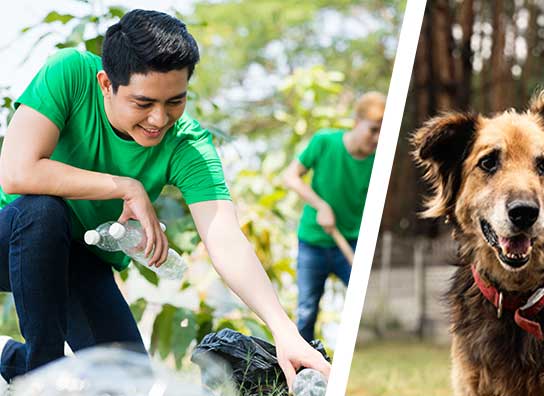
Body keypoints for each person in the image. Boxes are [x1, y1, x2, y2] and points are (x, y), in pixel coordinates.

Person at [0, 9, 329, 387]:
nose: (159, 119)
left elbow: (224, 236)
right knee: (43, 211)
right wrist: (126, 186)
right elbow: (17, 172)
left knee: (129, 382)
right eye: (143, 103)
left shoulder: (187, 144)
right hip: (10, 234)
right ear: (106, 84)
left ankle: (10, 359)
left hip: (76, 258)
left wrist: (284, 329)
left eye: (175, 101)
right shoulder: (70, 72)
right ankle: (43, 378)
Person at [282, 92, 385, 341]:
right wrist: (321, 205)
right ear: (356, 122)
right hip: (313, 243)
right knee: (306, 312)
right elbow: (290, 176)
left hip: (350, 243)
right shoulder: (325, 142)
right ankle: (300, 372)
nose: (377, 138)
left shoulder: (378, 162)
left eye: (382, 132)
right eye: (373, 130)